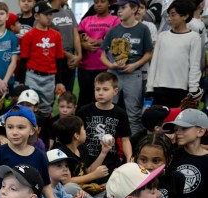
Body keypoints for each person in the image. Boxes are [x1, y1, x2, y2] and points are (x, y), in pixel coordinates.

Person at [0, 105, 61, 198]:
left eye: (21, 127)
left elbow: (45, 186)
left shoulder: (39, 156)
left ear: (32, 130)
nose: (14, 132)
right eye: (10, 127)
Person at [100, 0, 154, 135]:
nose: (119, 11)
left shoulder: (143, 29)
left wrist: (135, 65)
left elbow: (149, 53)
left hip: (133, 73)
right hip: (113, 74)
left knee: (133, 113)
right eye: (118, 7)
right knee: (106, 108)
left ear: (134, 8)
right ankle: (107, 142)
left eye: (123, 7)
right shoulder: (114, 30)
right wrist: (111, 65)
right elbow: (102, 55)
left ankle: (133, 146)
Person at [163, 108, 208, 198]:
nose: (178, 133)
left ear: (200, 131)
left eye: (184, 128)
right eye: (176, 129)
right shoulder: (171, 156)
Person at [76, 72, 132, 180]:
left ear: (115, 91)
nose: (100, 93)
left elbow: (125, 140)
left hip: (110, 161)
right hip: (87, 159)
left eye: (105, 89)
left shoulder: (120, 113)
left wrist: (129, 159)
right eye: (97, 89)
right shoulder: (84, 111)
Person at [147, 0, 202, 108]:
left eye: (173, 15)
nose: (169, 18)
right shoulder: (162, 36)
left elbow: (194, 65)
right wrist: (149, 88)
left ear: (185, 16)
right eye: (168, 15)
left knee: (175, 123)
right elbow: (154, 63)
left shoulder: (194, 37)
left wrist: (193, 90)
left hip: (181, 89)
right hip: (159, 87)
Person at [18, 1, 66, 117]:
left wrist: (59, 81)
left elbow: (59, 59)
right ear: (36, 16)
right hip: (32, 76)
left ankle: (43, 133)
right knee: (29, 106)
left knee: (46, 109)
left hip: (49, 77)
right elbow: (23, 60)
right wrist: (21, 82)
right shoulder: (29, 36)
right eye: (46, 14)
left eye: (51, 14)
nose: (49, 17)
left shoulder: (56, 35)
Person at [53, 115, 111, 198]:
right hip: (74, 194)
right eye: (83, 129)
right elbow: (66, 181)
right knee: (69, 187)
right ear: (76, 135)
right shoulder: (62, 154)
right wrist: (94, 175)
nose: (85, 131)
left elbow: (88, 171)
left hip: (87, 192)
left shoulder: (82, 148)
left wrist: (103, 153)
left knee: (112, 184)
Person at [76, 0, 120, 108]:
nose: (98, 5)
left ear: (109, 4)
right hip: (85, 67)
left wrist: (100, 42)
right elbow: (78, 36)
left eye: (102, 2)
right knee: (84, 100)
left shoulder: (115, 20)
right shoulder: (86, 20)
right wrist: (83, 44)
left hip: (105, 67)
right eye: (96, 2)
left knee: (104, 100)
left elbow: (117, 39)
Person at [50, 0, 82, 93]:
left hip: (71, 58)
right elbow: (50, 41)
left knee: (68, 94)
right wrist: (68, 56)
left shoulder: (69, 12)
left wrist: (79, 55)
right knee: (52, 94)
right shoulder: (46, 13)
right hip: (55, 58)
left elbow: (75, 35)